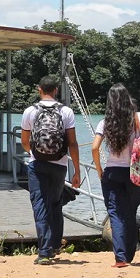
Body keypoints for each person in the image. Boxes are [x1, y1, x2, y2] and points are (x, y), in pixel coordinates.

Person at [91, 83, 140, 268]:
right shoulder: (139, 119)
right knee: (130, 212)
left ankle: (120, 258)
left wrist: (99, 169)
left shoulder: (105, 123)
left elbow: (95, 147)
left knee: (115, 214)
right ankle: (129, 254)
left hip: (112, 172)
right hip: (134, 172)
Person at [21, 75, 81, 266]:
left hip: (37, 164)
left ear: (40, 89)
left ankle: (44, 252)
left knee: (40, 205)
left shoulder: (30, 111)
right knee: (55, 203)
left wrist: (36, 153)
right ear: (56, 90)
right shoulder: (67, 112)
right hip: (60, 165)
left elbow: (24, 141)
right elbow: (72, 142)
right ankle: (54, 245)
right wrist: (76, 171)